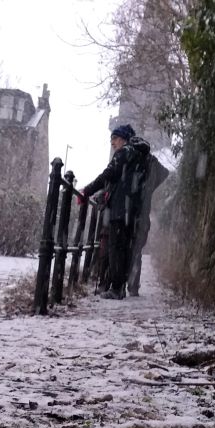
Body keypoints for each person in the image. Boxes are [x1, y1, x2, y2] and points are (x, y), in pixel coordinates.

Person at [79, 124, 149, 300]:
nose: (112, 142)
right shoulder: (140, 156)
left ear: (124, 139)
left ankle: (116, 288)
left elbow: (108, 174)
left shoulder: (125, 152)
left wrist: (87, 190)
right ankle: (119, 286)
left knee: (116, 248)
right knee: (125, 248)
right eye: (111, 139)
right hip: (132, 209)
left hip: (120, 209)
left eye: (115, 138)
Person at [127, 154, 169, 296]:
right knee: (134, 250)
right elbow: (164, 173)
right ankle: (132, 285)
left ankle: (126, 284)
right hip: (139, 217)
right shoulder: (146, 179)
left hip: (132, 216)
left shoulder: (138, 174)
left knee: (131, 250)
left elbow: (164, 172)